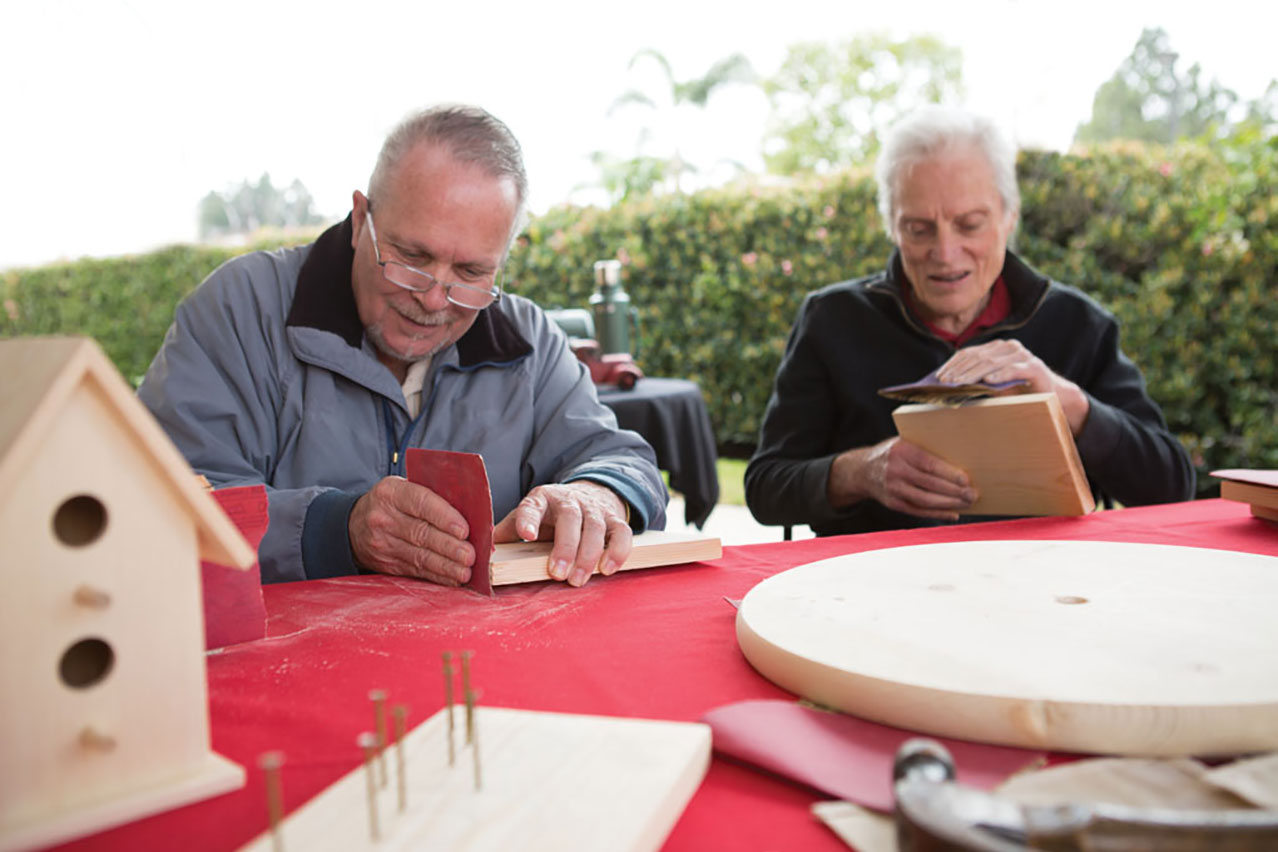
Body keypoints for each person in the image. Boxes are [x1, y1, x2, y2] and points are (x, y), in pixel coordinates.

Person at [139, 105, 667, 586]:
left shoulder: (527, 339)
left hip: (480, 666)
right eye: (412, 257)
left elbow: (620, 459)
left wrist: (598, 493)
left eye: (471, 271)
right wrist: (336, 530)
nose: (435, 299)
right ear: (360, 219)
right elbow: (160, 501)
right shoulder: (240, 309)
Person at [746, 105, 1195, 535]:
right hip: (873, 590)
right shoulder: (833, 320)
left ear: (1008, 217)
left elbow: (1173, 486)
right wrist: (860, 472)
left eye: (970, 224)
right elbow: (765, 487)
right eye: (919, 229)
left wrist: (1070, 403)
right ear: (892, 227)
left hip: (1046, 589)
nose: (945, 253)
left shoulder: (1078, 324)